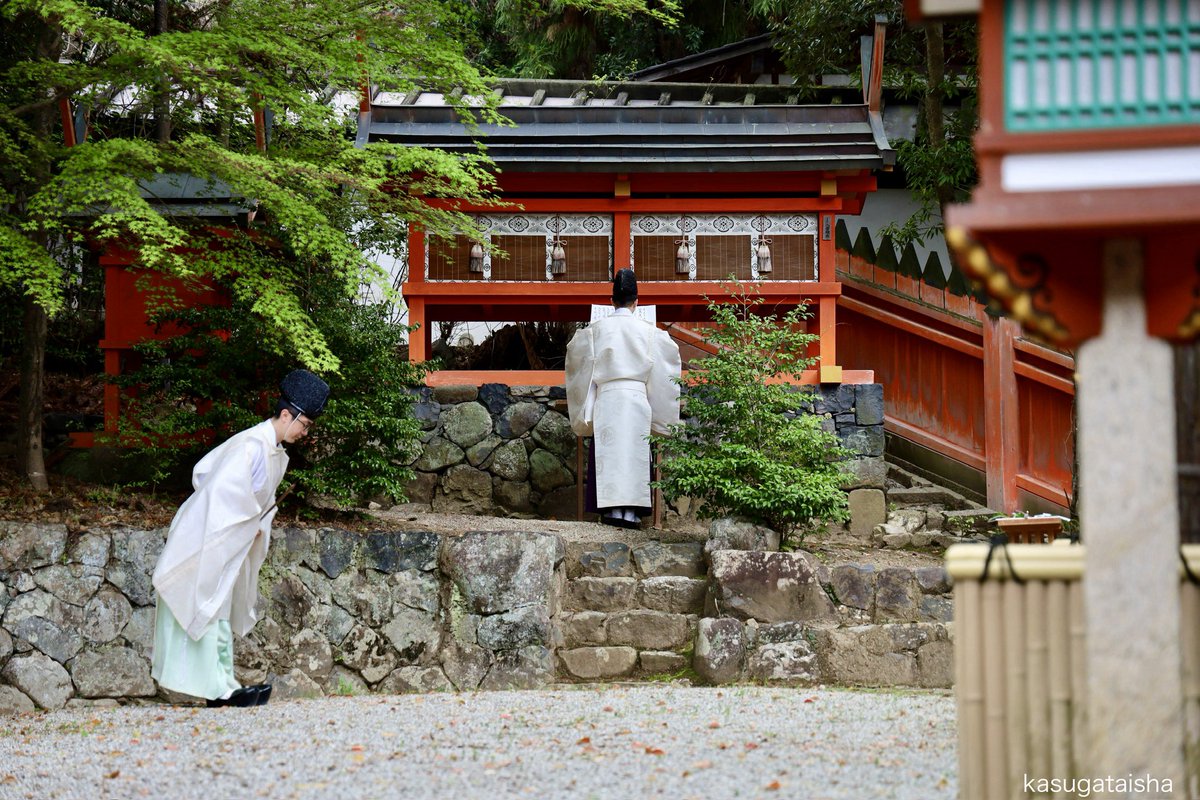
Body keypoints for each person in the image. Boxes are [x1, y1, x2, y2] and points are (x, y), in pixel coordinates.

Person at [151, 369, 329, 707]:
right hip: (207, 535)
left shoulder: (275, 453)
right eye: (304, 425)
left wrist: (257, 522)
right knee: (207, 606)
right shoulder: (250, 446)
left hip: (228, 539)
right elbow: (219, 493)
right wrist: (251, 520)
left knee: (218, 607)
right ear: (287, 414)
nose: (305, 432)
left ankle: (223, 685)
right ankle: (218, 689)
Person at [565, 268, 681, 529]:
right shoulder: (649, 331)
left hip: (607, 397)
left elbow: (577, 359)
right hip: (637, 397)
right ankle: (632, 514)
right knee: (635, 455)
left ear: (611, 301)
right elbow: (666, 368)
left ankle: (611, 511)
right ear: (636, 302)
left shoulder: (596, 330)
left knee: (609, 454)